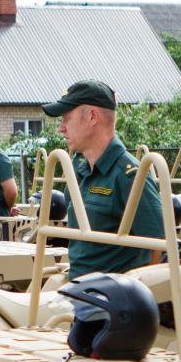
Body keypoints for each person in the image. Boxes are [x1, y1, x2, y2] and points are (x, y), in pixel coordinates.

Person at [43, 80, 163, 279]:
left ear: (92, 117)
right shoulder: (79, 170)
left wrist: (131, 293)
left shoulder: (130, 175)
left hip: (110, 298)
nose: (61, 129)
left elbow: (158, 245)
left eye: (67, 118)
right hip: (77, 287)